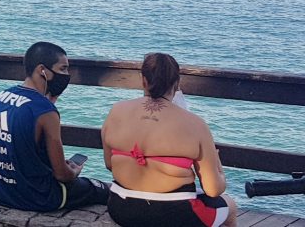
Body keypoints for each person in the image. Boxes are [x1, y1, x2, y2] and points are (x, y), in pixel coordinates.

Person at [102, 53, 237, 227]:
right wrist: (218, 167)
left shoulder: (116, 112)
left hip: (122, 208)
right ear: (177, 83)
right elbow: (213, 189)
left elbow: (109, 165)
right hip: (175, 215)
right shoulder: (194, 123)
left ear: (143, 80)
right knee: (230, 206)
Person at [0, 41, 109, 212]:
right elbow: (62, 175)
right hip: (37, 197)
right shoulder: (45, 111)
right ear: (43, 70)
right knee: (102, 189)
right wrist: (74, 171)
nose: (67, 75)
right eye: (63, 69)